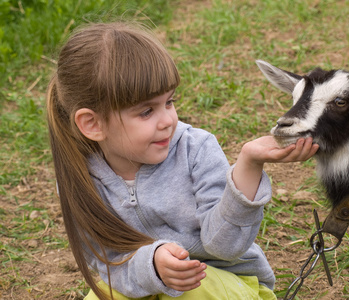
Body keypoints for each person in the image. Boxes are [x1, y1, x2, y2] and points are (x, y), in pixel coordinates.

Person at [46, 22, 318, 300]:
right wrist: (151, 266)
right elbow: (109, 265)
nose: (168, 120)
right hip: (144, 288)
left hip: (224, 284)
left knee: (191, 292)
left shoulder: (196, 149)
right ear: (92, 124)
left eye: (169, 102)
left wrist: (249, 164)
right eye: (146, 112)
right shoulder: (77, 178)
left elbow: (225, 247)